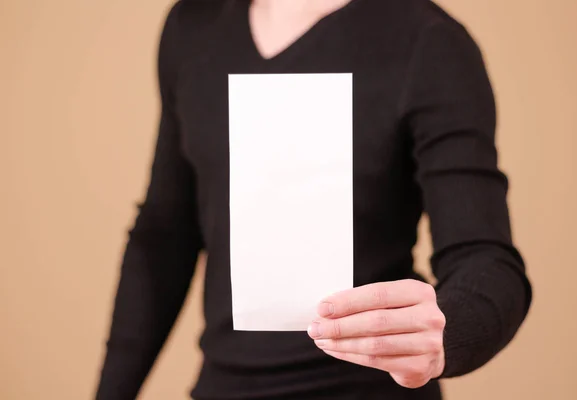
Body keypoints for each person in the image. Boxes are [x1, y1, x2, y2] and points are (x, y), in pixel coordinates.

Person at [96, 0, 532, 399]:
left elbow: (487, 259)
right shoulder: (193, 26)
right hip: (222, 387)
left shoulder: (428, 40)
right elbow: (164, 237)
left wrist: (443, 335)